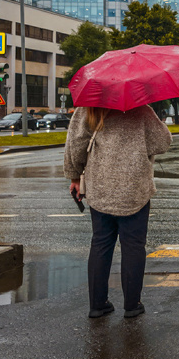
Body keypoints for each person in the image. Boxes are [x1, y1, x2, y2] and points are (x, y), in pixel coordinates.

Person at [64, 104, 171, 318]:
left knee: (100, 243)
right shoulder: (140, 110)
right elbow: (162, 142)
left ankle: (98, 304)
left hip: (100, 186)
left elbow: (75, 145)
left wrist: (75, 177)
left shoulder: (87, 109)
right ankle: (132, 305)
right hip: (134, 189)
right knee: (133, 246)